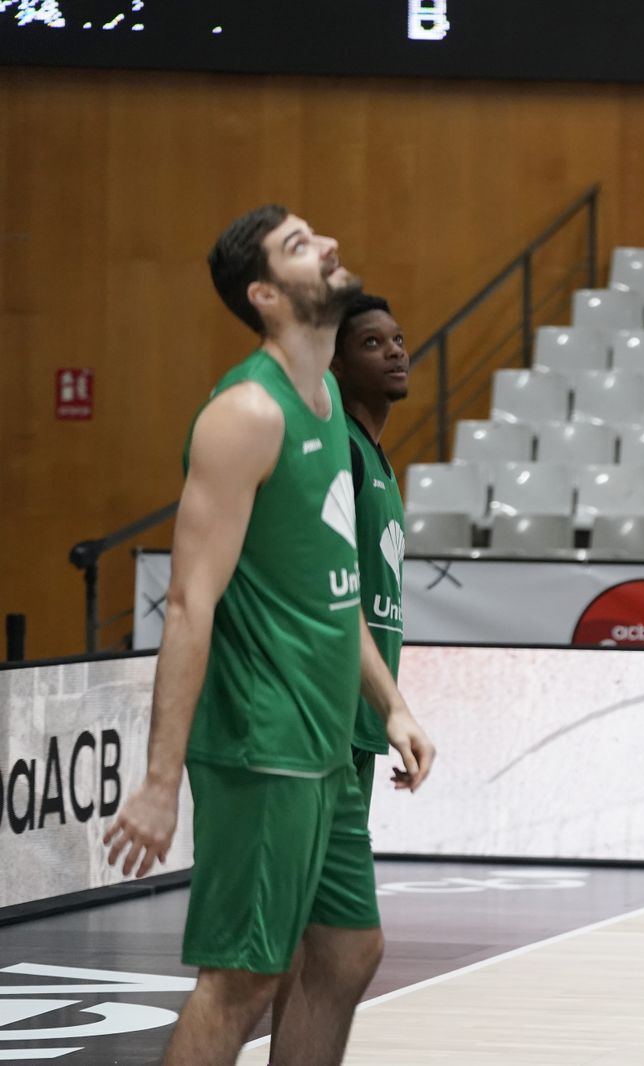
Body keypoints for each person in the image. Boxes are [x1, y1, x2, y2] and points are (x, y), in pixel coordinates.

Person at [102, 205, 436, 1066]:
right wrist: (158, 780)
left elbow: (333, 592)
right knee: (243, 979)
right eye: (299, 245)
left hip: (325, 745)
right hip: (262, 742)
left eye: (319, 232)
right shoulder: (248, 413)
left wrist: (391, 705)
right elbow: (187, 604)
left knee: (346, 951)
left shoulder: (326, 403)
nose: (328, 243)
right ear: (265, 294)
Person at [269, 293, 411, 1057]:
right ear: (334, 360)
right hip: (318, 721)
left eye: (397, 338)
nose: (395, 351)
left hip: (355, 722)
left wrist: (392, 708)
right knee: (300, 933)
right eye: (371, 342)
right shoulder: (339, 453)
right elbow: (330, 594)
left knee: (330, 939)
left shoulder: (376, 456)